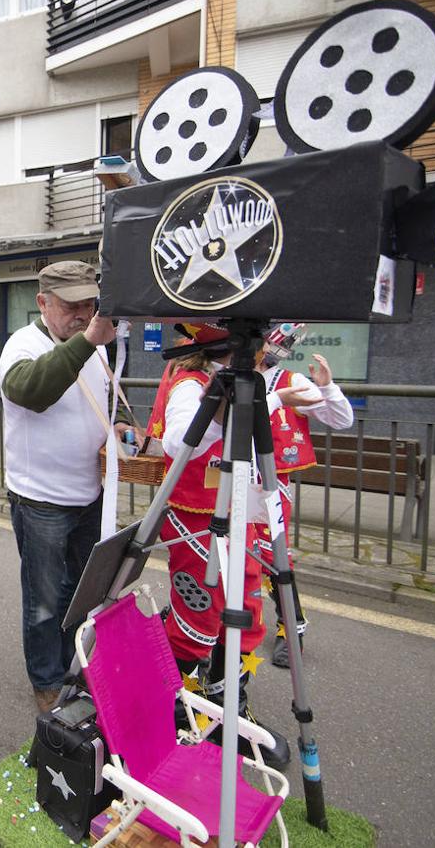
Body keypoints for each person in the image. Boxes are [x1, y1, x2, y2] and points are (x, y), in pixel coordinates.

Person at [146, 323, 299, 769]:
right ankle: (167, 707)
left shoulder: (251, 380)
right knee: (199, 617)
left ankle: (226, 707)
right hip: (196, 520)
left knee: (246, 612)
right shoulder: (192, 384)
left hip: (236, 514)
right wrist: (216, 415)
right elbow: (177, 441)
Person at [0, 260, 135, 713]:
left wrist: (111, 429)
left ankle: (74, 670)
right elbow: (31, 391)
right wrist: (88, 340)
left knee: (81, 592)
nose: (83, 314)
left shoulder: (94, 348)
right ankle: (47, 685)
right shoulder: (23, 344)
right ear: (42, 303)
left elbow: (92, 403)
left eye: (90, 305)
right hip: (41, 501)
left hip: (87, 495)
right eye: (71, 305)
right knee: (44, 600)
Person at [255, 325, 353, 667]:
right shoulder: (222, 375)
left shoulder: (289, 381)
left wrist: (326, 386)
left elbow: (340, 419)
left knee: (274, 555)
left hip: (269, 482)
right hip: (222, 476)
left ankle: (291, 626)